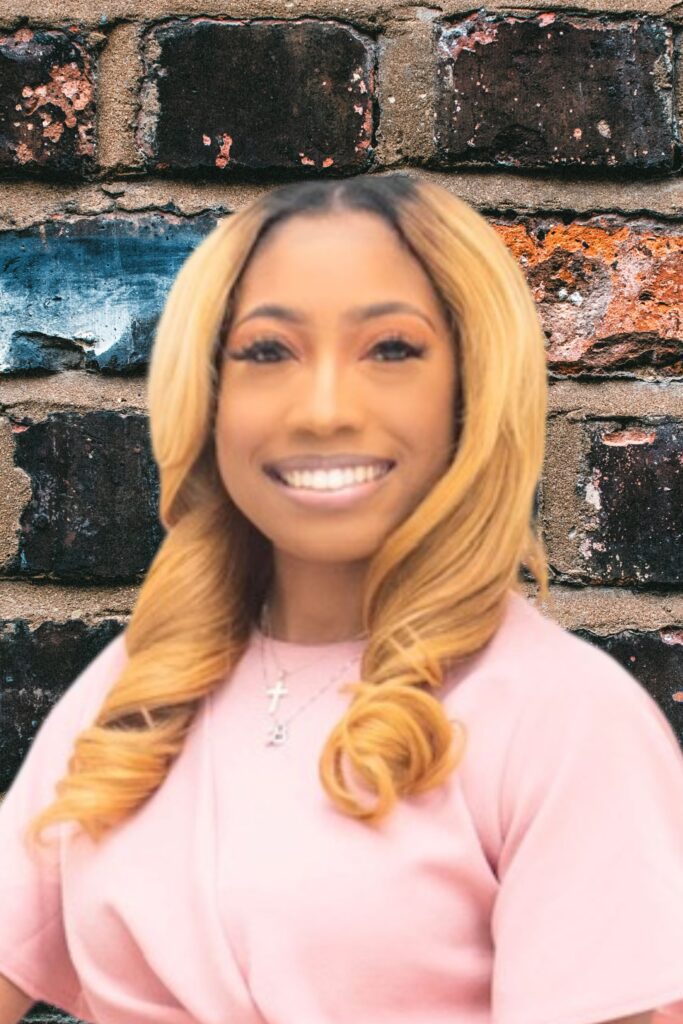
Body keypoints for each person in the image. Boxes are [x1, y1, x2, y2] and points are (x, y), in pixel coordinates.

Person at [0, 173, 681, 1024]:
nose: (323, 410)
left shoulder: (565, 719)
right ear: (209, 396)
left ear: (469, 390)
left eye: (391, 350)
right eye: (266, 352)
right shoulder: (140, 683)